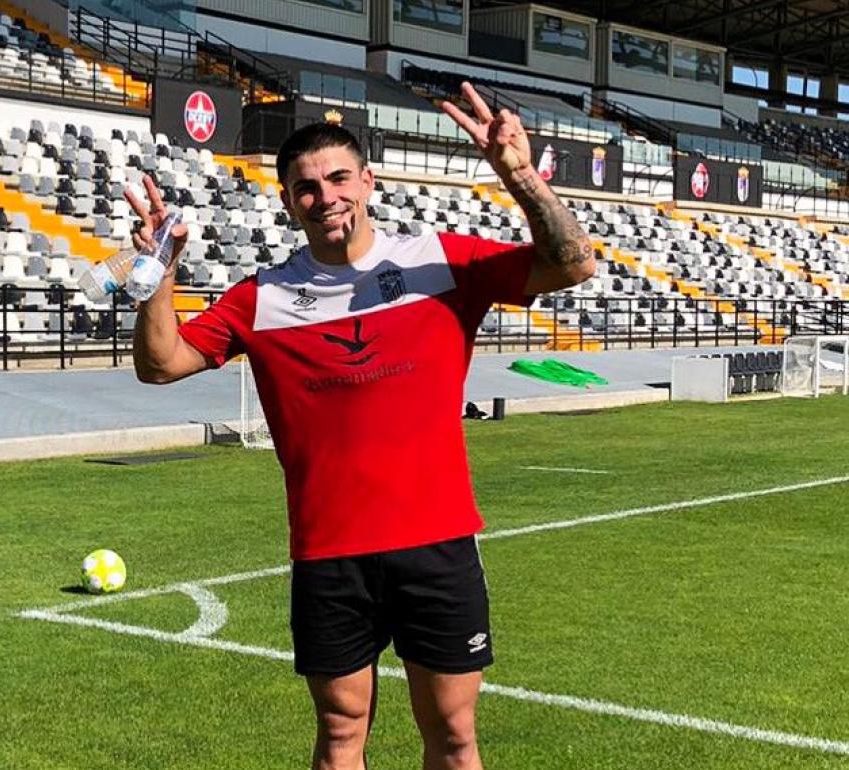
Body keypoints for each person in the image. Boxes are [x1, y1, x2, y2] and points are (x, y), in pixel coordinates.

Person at [125, 81, 595, 770]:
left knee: (456, 737)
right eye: (307, 187)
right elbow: (161, 364)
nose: (326, 195)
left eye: (339, 177)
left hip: (437, 543)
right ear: (288, 202)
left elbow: (573, 263)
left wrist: (519, 174)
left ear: (367, 181)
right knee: (341, 735)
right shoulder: (264, 298)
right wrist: (157, 275)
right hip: (330, 555)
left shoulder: (439, 262)